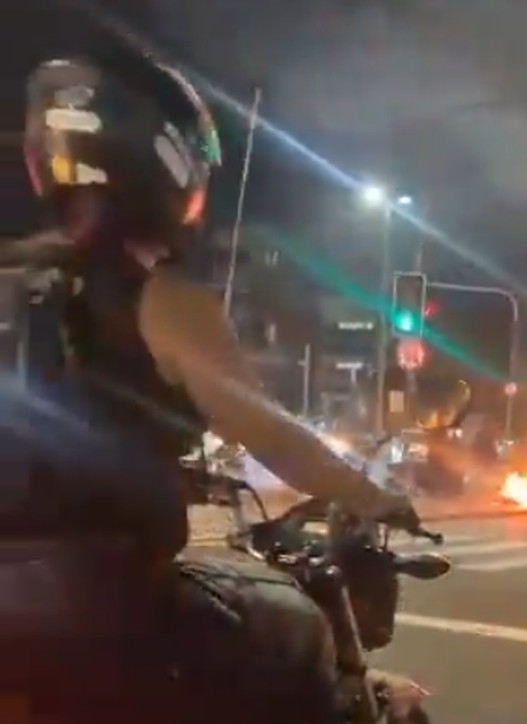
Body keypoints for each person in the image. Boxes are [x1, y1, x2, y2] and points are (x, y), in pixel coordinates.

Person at [12, 47, 418, 722]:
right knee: (298, 632)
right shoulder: (162, 301)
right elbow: (272, 434)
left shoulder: (12, 282)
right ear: (168, 166)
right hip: (104, 605)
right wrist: (373, 496)